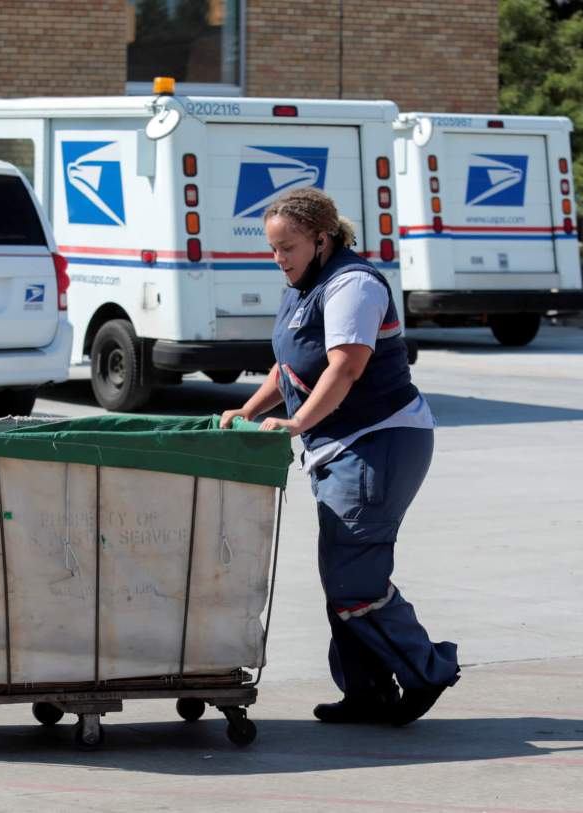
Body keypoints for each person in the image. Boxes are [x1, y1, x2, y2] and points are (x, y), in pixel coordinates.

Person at [219, 188, 459, 726]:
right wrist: (249, 410)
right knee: (341, 574)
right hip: (340, 445)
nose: (280, 259)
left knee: (355, 579)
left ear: (322, 240)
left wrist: (298, 423)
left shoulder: (352, 285)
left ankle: (428, 669)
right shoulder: (304, 286)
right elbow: (289, 368)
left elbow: (345, 368)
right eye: (274, 249)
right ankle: (367, 692)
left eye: (289, 248)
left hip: (379, 440)